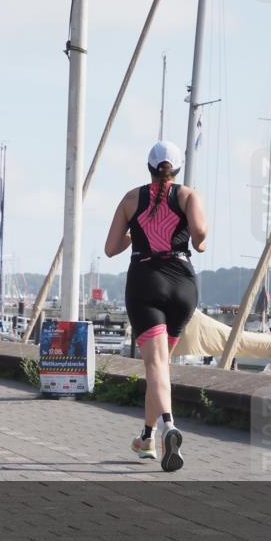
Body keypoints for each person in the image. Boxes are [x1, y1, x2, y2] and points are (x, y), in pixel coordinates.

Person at [104, 140, 208, 473]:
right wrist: (197, 238)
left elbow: (110, 248)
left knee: (155, 365)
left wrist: (137, 232)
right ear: (175, 169)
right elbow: (201, 236)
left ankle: (167, 426)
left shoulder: (131, 199)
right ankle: (147, 437)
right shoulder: (188, 196)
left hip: (145, 280)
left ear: (149, 168)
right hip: (182, 284)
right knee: (160, 365)